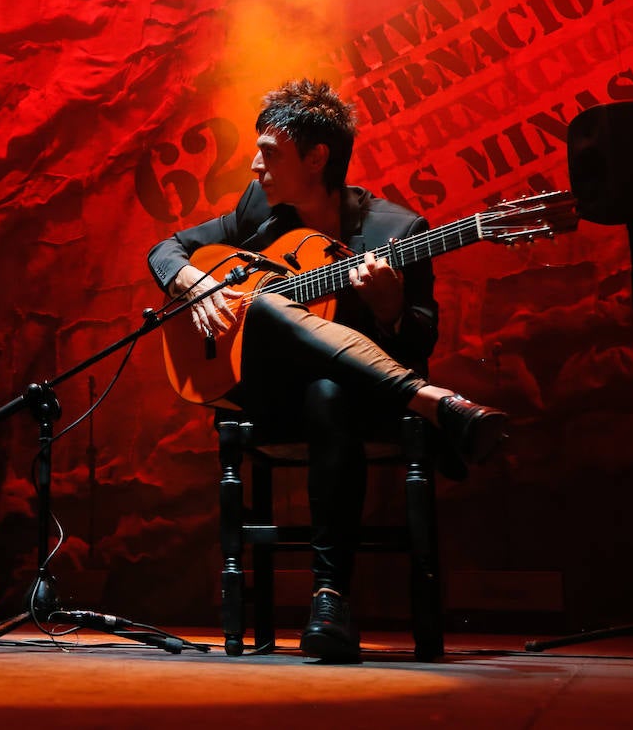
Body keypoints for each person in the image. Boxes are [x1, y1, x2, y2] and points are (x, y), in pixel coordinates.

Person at [147, 78, 508, 663]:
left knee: (328, 391)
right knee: (263, 303)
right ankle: (436, 403)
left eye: (269, 152)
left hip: (359, 398)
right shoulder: (257, 208)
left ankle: (330, 600)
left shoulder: (398, 232)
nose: (254, 163)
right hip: (262, 391)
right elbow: (167, 249)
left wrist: (390, 307)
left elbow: (420, 336)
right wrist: (191, 280)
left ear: (316, 159)